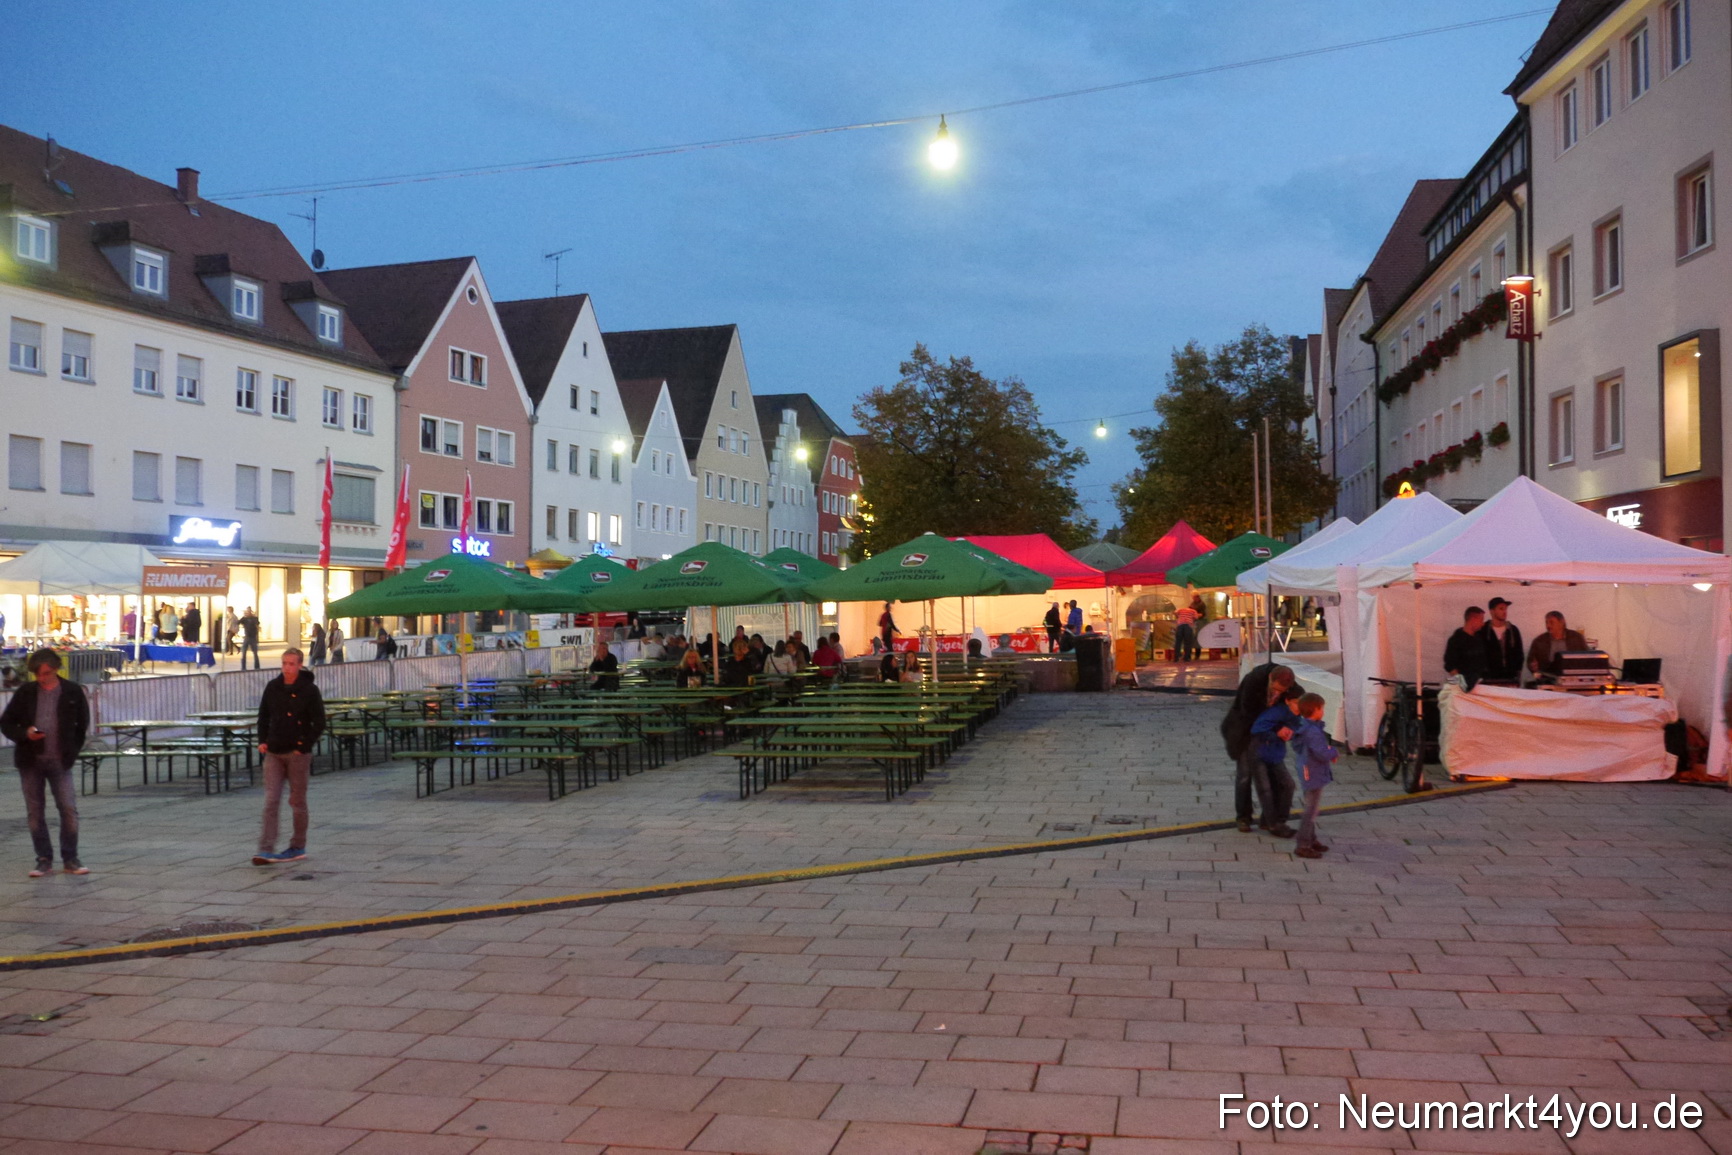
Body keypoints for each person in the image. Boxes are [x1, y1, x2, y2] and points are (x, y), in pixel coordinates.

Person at [0, 649, 92, 877]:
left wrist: (71, 751)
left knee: (68, 808)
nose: (42, 678)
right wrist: (25, 733)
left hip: (60, 760)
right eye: (38, 675)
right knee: (35, 811)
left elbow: (82, 725)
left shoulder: (71, 691)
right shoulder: (26, 692)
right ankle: (43, 858)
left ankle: (70, 857)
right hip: (31, 760)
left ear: (56, 669)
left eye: (46, 674)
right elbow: (7, 723)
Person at [253, 649, 325, 865]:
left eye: (292, 664)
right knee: (271, 799)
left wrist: (303, 745)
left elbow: (319, 722)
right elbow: (263, 715)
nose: (287, 668)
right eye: (284, 663)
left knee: (297, 800)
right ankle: (265, 848)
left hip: (297, 752)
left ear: (300, 665)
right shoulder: (273, 687)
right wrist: (262, 740)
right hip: (274, 750)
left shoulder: (309, 690)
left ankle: (297, 845)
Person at [1221, 662, 1299, 835]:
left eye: (1281, 691)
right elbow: (1247, 712)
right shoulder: (1253, 681)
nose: (1277, 694)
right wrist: (1275, 727)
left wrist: (1288, 726)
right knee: (1245, 775)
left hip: (1268, 738)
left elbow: (1299, 704)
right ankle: (1243, 817)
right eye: (1275, 689)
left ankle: (1270, 819)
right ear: (1270, 679)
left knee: (1275, 778)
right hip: (1243, 731)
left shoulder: (1291, 685)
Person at [1288, 692, 1338, 859]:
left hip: (1308, 770)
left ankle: (1312, 839)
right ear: (1315, 710)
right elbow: (1321, 753)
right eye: (1322, 708)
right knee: (1311, 810)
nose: (1323, 711)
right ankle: (1303, 844)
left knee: (1311, 808)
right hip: (1313, 772)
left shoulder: (1305, 728)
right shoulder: (1313, 732)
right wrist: (1333, 751)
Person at [1248, 685, 1302, 838]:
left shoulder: (1296, 717)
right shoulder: (1276, 712)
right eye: (1297, 703)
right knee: (1265, 788)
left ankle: (1276, 820)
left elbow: (1296, 729)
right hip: (1258, 752)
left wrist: (1289, 733)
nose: (1299, 707)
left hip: (1275, 754)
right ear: (1288, 701)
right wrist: (1276, 733)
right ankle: (1274, 824)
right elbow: (1257, 729)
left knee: (1287, 785)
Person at [1526, 610, 1590, 679]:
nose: (1548, 625)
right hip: (1548, 678)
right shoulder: (1539, 641)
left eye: (1551, 622)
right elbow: (1530, 661)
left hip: (1573, 678)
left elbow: (1587, 657)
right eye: (1546, 623)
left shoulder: (1576, 638)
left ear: (1562, 622)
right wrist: (1533, 666)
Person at [1443, 606, 1490, 689]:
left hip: (1480, 685)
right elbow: (1450, 666)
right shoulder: (1455, 640)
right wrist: (1461, 685)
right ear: (1473, 619)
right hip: (1463, 686)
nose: (1483, 624)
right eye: (1481, 620)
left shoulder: (1479, 638)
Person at [1481, 597, 1524, 685]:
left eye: (1505, 609)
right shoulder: (1483, 630)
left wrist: (1517, 674)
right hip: (1489, 680)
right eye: (1501, 609)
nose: (1504, 612)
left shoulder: (1513, 630)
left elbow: (1519, 654)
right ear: (1492, 611)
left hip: (1510, 679)